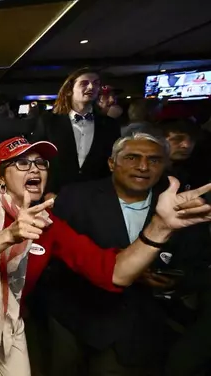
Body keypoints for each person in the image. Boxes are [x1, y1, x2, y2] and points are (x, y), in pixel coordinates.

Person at [0, 136, 211, 376]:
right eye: (22, 163)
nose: (35, 169)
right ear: (1, 177)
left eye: (41, 163)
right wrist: (9, 235)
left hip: (10, 322)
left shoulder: (49, 224)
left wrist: (160, 226)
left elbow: (114, 273)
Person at [41, 132, 211, 375]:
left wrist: (173, 283)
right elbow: (53, 256)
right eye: (132, 157)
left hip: (138, 327)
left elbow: (199, 265)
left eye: (154, 160)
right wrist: (116, 265)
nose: (143, 167)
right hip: (75, 317)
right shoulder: (75, 197)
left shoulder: (182, 206)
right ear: (112, 163)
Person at [34, 68, 120, 198]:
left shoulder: (109, 124)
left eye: (96, 83)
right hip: (57, 195)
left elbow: (113, 164)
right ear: (69, 90)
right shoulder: (48, 121)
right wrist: (46, 191)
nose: (91, 86)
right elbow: (37, 160)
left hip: (96, 196)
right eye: (84, 83)